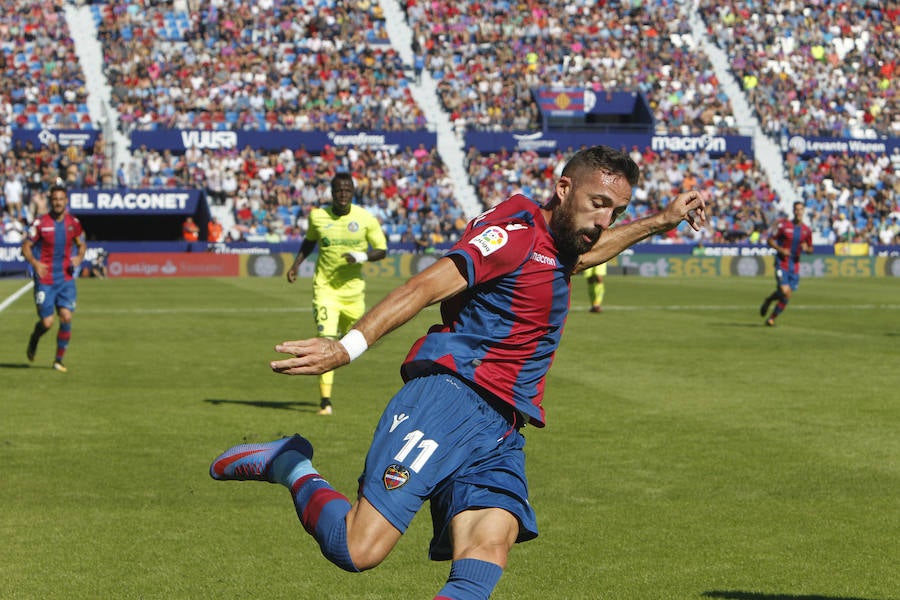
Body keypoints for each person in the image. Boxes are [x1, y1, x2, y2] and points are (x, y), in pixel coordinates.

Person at [209, 146, 707, 598]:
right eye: (598, 203)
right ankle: (290, 463)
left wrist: (659, 221)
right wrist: (346, 347)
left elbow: (581, 255)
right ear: (563, 189)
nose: (604, 220)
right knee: (356, 549)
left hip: (502, 428)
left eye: (615, 211)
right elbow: (425, 286)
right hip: (451, 398)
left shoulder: (554, 243)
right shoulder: (512, 238)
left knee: (487, 552)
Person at [285, 172, 388, 415]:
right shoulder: (318, 216)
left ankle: (338, 352)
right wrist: (296, 265)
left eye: (347, 190)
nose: (343, 194)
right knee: (327, 342)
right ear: (332, 193)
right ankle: (325, 402)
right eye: (339, 190)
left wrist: (361, 256)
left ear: (353, 192)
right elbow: (309, 241)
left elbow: (382, 250)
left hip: (353, 293)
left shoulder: (365, 219)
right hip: (325, 290)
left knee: (358, 342)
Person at [22, 184, 87, 372]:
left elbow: (81, 244)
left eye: (61, 199)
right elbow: (26, 247)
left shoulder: (73, 223)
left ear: (66, 201)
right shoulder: (40, 223)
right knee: (47, 323)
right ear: (51, 201)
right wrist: (35, 263)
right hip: (45, 279)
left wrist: (80, 256)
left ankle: (58, 360)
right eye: (55, 199)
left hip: (65, 278)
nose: (58, 203)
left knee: (66, 317)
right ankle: (35, 338)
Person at [760, 201, 813, 326]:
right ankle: (771, 318)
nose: (799, 212)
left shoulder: (806, 231)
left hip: (794, 266)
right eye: (797, 209)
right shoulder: (784, 226)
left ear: (803, 211)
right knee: (785, 291)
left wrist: (807, 249)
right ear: (793, 211)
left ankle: (769, 306)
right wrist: (781, 249)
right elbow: (770, 240)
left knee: (785, 294)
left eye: (801, 209)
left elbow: (811, 249)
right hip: (781, 263)